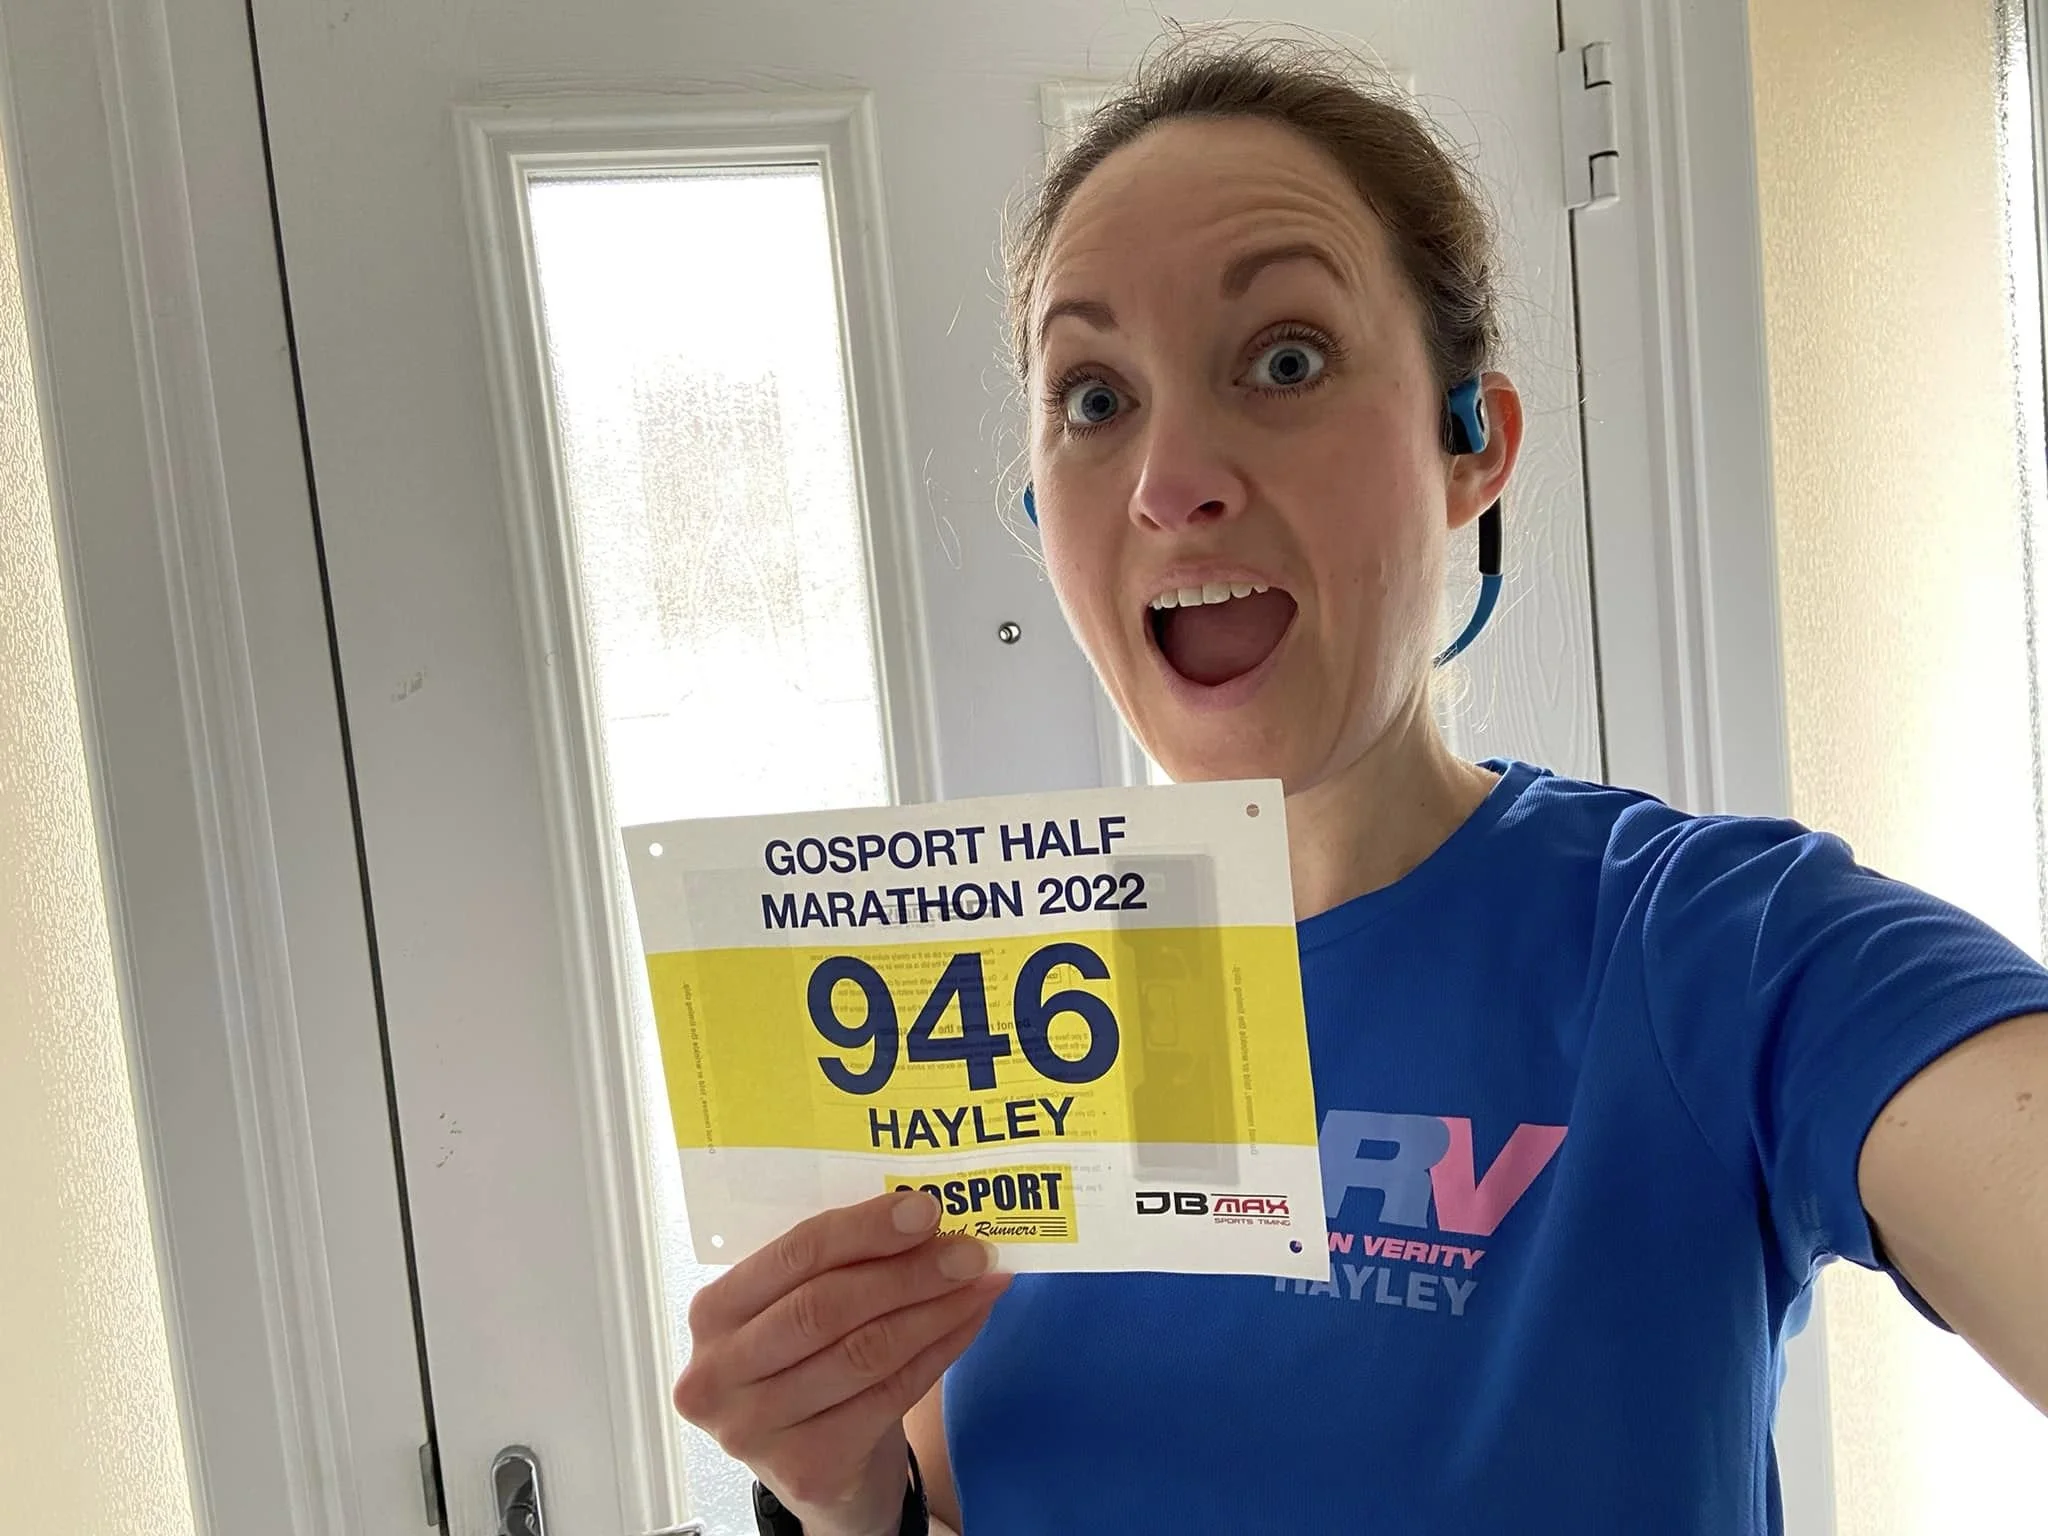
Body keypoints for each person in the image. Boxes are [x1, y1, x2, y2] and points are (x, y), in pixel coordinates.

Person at [669, 37, 2048, 1534]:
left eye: (1285, 359)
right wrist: (838, 1493)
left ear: (1473, 447)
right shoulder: (958, 1019)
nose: (1169, 476)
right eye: (1092, 396)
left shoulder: (1727, 951)